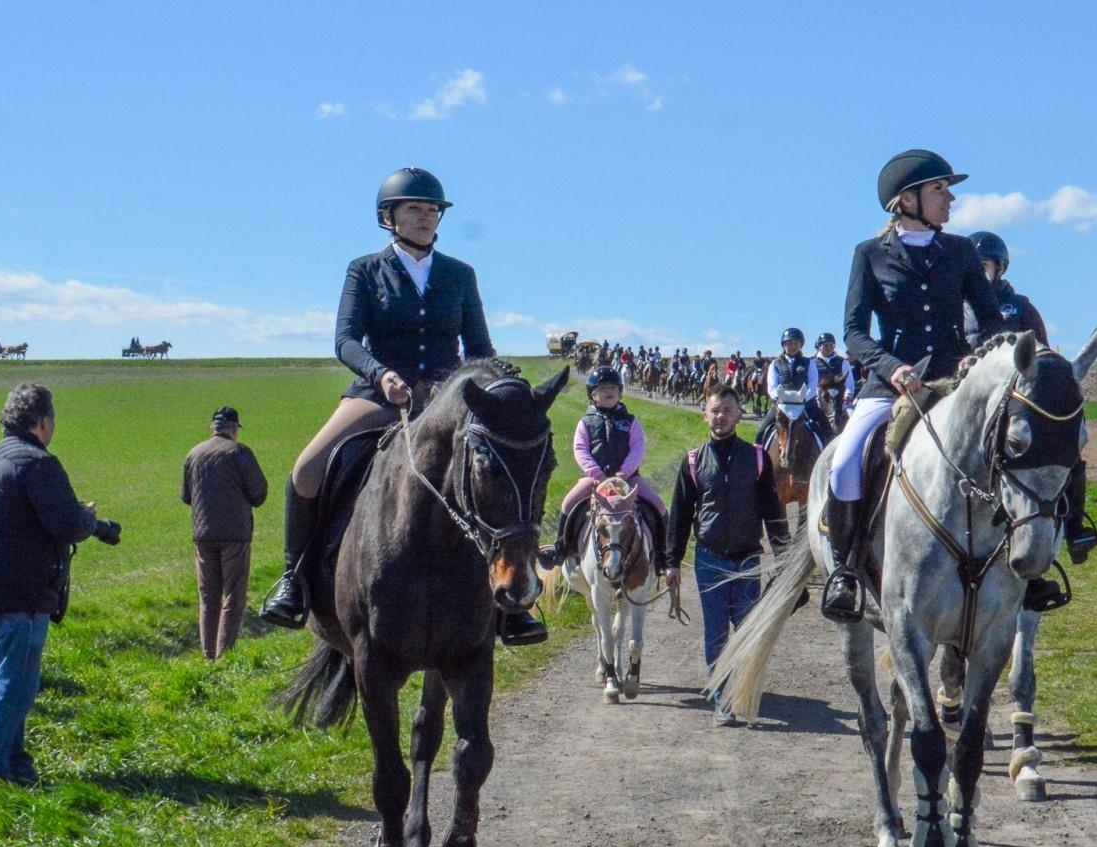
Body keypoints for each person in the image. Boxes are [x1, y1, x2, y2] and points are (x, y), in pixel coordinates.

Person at [259, 167, 544, 644]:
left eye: (433, 210)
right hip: (379, 395)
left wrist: (489, 392)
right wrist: (380, 373)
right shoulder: (365, 270)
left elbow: (478, 347)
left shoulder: (460, 274)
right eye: (415, 209)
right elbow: (346, 339)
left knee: (501, 470)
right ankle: (296, 581)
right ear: (389, 216)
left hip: (447, 403)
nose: (426, 218)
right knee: (306, 470)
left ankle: (513, 604)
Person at [821, 149, 1004, 622]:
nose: (951, 198)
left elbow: (988, 321)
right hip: (892, 382)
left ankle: (1023, 561)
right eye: (940, 189)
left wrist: (976, 359)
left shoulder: (961, 252)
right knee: (845, 462)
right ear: (907, 199)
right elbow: (855, 332)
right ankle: (845, 569)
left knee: (1012, 445)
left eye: (947, 189)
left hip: (955, 379)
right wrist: (892, 367)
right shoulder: (868, 254)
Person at [0, 384, 103, 789]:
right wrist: (88, 518)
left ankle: (16, 764)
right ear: (43, 422)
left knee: (7, 685)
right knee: (15, 691)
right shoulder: (37, 463)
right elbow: (66, 525)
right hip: (19, 591)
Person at [963, 229, 1097, 570]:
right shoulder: (952, 303)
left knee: (1064, 447)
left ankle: (1074, 528)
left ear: (1000, 268)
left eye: (984, 264)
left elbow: (1041, 354)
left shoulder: (1020, 306)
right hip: (963, 397)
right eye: (973, 265)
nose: (979, 271)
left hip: (1014, 400)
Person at [664, 384, 788, 725]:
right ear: (706, 414)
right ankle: (723, 698)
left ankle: (743, 689)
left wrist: (783, 554)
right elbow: (680, 517)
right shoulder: (692, 462)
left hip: (748, 559)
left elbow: (772, 509)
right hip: (710, 559)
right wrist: (671, 562)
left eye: (727, 410)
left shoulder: (758, 458)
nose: (721, 416)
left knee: (748, 628)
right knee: (716, 631)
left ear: (738, 413)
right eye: (715, 410)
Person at [539, 365, 667, 571]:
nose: (609, 392)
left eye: (613, 388)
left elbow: (638, 448)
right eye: (602, 388)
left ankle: (663, 554)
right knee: (568, 503)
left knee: (659, 506)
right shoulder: (586, 422)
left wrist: (625, 472)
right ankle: (561, 548)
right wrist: (596, 473)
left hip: (628, 479)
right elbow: (580, 449)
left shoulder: (630, 421)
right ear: (592, 395)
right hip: (595, 479)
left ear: (620, 392)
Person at [182, 405, 269, 658]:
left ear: (213, 428)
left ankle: (207, 655)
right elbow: (259, 494)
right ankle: (224, 654)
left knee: (208, 597)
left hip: (202, 535)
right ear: (233, 429)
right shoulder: (240, 452)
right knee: (233, 595)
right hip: (235, 535)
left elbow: (186, 496)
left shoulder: (193, 454)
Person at [755, 327, 834, 449]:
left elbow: (812, 386)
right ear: (784, 345)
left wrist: (801, 399)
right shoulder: (775, 364)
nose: (793, 346)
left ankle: (829, 461)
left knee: (827, 427)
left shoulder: (809, 363)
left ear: (801, 345)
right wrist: (783, 400)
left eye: (796, 343)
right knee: (760, 433)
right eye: (790, 343)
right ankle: (759, 464)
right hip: (781, 405)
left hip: (807, 404)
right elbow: (772, 388)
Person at [813, 332, 855, 431]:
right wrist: (817, 398)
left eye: (831, 345)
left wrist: (846, 397)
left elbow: (849, 383)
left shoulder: (842, 361)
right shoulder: (813, 362)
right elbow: (812, 383)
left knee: (853, 418)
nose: (828, 348)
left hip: (840, 399)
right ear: (819, 346)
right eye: (825, 345)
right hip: (821, 399)